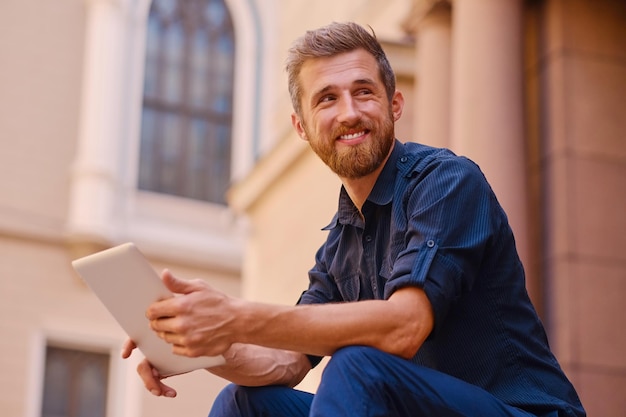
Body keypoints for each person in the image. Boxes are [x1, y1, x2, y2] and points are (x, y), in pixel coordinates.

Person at [122, 22, 586, 417]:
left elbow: (403, 327)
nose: (349, 112)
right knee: (244, 403)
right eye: (326, 99)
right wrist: (197, 344)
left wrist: (234, 316)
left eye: (363, 92)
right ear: (301, 126)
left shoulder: (446, 181)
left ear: (394, 106)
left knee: (355, 365)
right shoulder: (342, 241)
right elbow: (285, 363)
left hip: (520, 410)